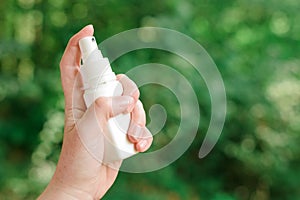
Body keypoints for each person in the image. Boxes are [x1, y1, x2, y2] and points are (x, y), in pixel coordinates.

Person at [38, 25, 153, 199]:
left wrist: (73, 191)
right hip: (78, 188)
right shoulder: (91, 98)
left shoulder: (107, 89)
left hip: (82, 187)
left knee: (128, 103)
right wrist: (72, 190)